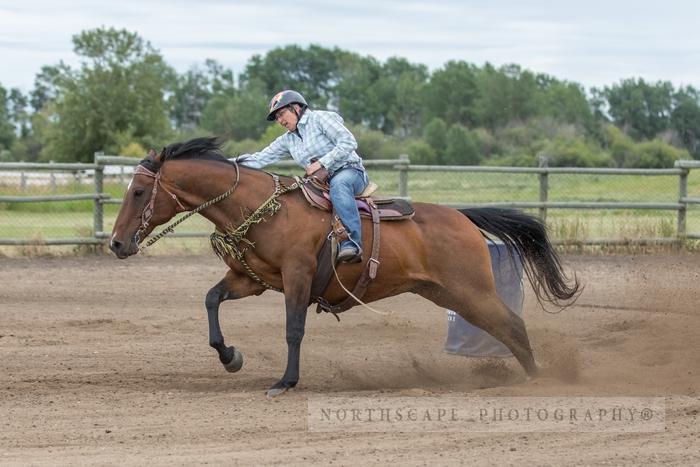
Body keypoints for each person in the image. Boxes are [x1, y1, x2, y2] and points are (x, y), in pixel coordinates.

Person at [237, 89, 369, 263]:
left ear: (297, 108)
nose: (280, 121)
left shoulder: (320, 118)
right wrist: (224, 164)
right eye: (276, 118)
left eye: (282, 114)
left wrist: (322, 163)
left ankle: (351, 243)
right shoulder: (287, 139)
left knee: (339, 186)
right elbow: (260, 158)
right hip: (319, 181)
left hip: (350, 171)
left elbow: (348, 141)